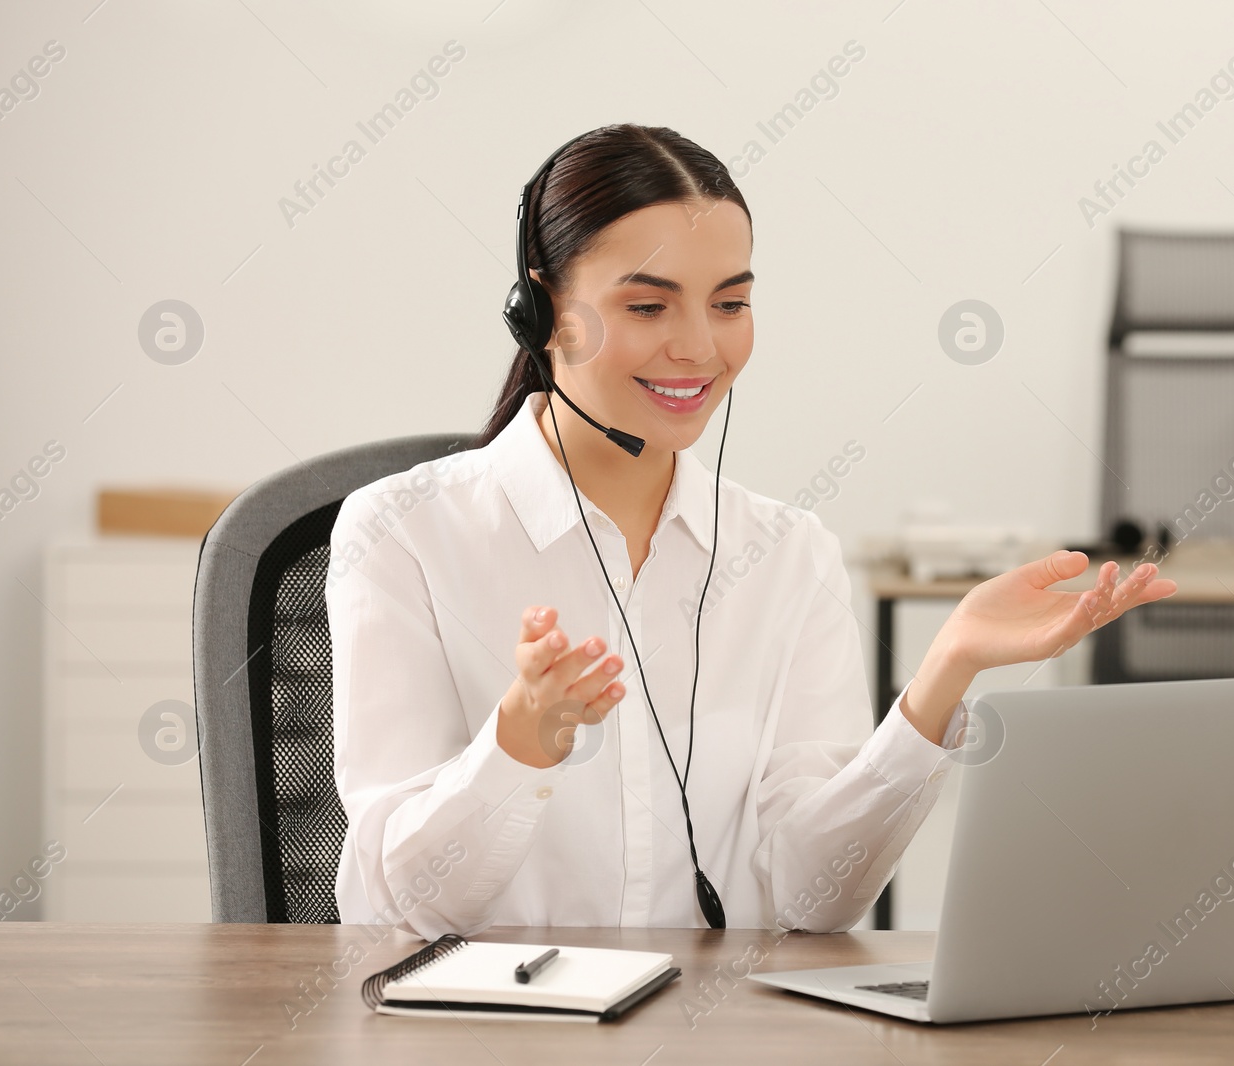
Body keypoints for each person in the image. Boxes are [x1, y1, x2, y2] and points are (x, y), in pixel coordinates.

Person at [327, 123, 1176, 939]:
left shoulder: (788, 554)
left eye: (730, 302)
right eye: (650, 307)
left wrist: (941, 676)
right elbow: (400, 909)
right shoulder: (403, 536)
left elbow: (813, 900)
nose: (699, 347)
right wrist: (516, 750)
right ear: (541, 313)